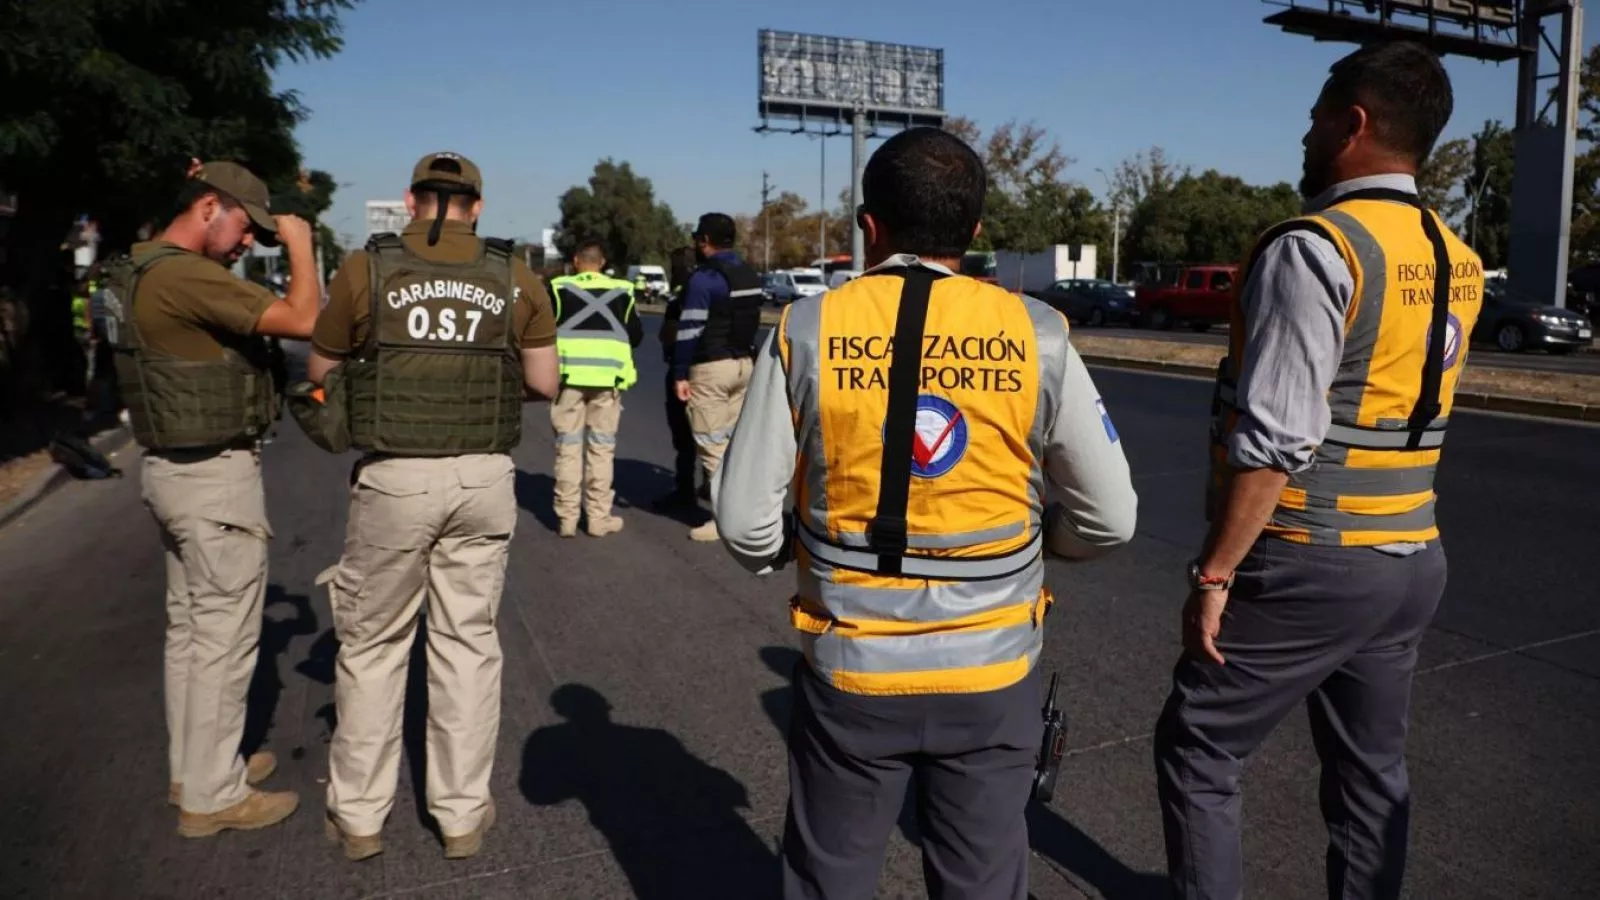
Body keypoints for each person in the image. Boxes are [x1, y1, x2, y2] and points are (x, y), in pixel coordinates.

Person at [714, 126, 1139, 899]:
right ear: (974, 233)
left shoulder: (809, 327)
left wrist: (793, 553)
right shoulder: (1037, 332)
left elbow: (745, 523)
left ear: (869, 229)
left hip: (852, 666)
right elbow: (1111, 516)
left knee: (829, 877)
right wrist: (1045, 547)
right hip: (992, 667)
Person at [1153, 41, 1484, 900]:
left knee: (1200, 747)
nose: (1305, 130)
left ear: (1355, 123)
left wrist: (1215, 571)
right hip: (1412, 553)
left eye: (1314, 115)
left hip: (1310, 552)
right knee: (1372, 774)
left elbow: (1277, 436)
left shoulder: (1318, 247)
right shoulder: (1455, 256)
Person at [303, 152, 560, 861]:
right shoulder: (515, 272)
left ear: (414, 201)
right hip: (483, 478)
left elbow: (320, 370)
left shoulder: (367, 267)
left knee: (375, 647)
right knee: (467, 644)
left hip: (395, 477)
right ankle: (459, 816)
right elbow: (544, 381)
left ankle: (358, 817)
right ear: (475, 206)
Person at [102, 159, 320, 836]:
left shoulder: (137, 268)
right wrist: (303, 246)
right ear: (207, 207)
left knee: (192, 636)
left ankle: (193, 767)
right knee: (225, 642)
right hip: (212, 478)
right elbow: (303, 317)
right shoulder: (184, 273)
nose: (248, 243)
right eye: (243, 227)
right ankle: (214, 796)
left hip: (170, 469)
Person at [671, 213, 763, 542]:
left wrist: (681, 373)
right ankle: (747, 513)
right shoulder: (748, 274)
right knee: (734, 445)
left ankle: (724, 521)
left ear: (704, 240)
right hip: (744, 365)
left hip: (711, 368)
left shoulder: (703, 279)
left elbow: (690, 329)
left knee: (712, 446)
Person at [547, 239, 643, 537]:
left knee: (568, 448)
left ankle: (566, 518)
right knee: (601, 450)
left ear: (576, 261)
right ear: (602, 263)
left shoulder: (558, 288)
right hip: (607, 380)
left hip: (569, 379)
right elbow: (635, 336)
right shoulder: (622, 291)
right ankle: (598, 519)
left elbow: (544, 331)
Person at [654, 245, 702, 510]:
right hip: (714, 370)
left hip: (684, 372)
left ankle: (685, 491)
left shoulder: (681, 300)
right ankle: (708, 485)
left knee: (684, 438)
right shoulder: (716, 291)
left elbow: (668, 336)